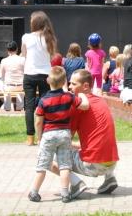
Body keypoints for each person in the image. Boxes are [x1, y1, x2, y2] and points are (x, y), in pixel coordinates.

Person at [47, 70, 120, 197]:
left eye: (73, 84)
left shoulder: (78, 106)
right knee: (99, 143)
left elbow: (65, 139)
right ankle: (110, 178)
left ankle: (76, 184)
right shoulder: (101, 100)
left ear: (85, 86)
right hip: (112, 161)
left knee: (47, 158)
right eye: (69, 83)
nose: (70, 87)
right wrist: (78, 146)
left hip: (94, 164)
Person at [28, 66, 90, 203]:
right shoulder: (68, 97)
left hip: (48, 135)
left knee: (42, 165)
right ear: (64, 82)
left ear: (48, 81)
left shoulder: (43, 100)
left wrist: (39, 137)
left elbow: (38, 121)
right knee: (64, 165)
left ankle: (34, 192)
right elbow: (85, 106)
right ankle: (65, 193)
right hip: (64, 134)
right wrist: (83, 95)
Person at [22, 11, 57, 146]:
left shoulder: (26, 37)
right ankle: (42, 136)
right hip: (45, 74)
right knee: (45, 105)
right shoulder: (50, 38)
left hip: (29, 73)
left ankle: (30, 137)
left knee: (29, 107)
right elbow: (52, 56)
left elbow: (24, 54)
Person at [0, 41, 26, 111]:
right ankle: (19, 107)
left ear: (8, 50)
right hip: (20, 86)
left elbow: (2, 76)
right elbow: (25, 73)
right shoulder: (23, 60)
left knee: (3, 85)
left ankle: (7, 107)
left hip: (8, 86)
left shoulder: (4, 61)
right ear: (17, 49)